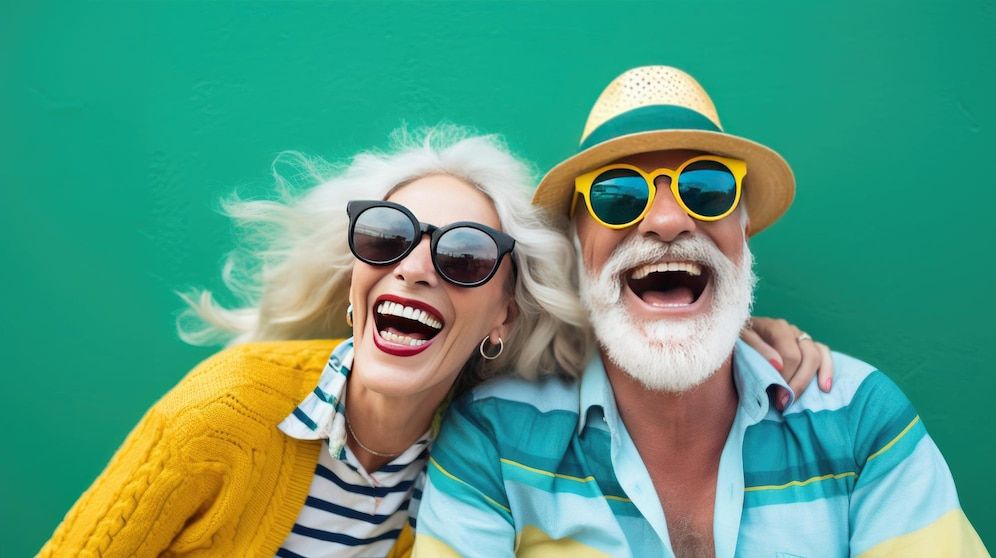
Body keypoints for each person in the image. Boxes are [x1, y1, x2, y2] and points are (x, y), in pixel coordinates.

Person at [38, 126, 825, 557]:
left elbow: (640, 350)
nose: (415, 269)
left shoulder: (482, 458)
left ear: (503, 319)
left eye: (465, 256)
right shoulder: (222, 414)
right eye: (387, 239)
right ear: (356, 278)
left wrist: (732, 331)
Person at [413, 68, 989, 557]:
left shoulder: (862, 420)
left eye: (707, 189)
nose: (667, 221)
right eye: (618, 195)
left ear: (743, 235)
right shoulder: (492, 440)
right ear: (578, 250)